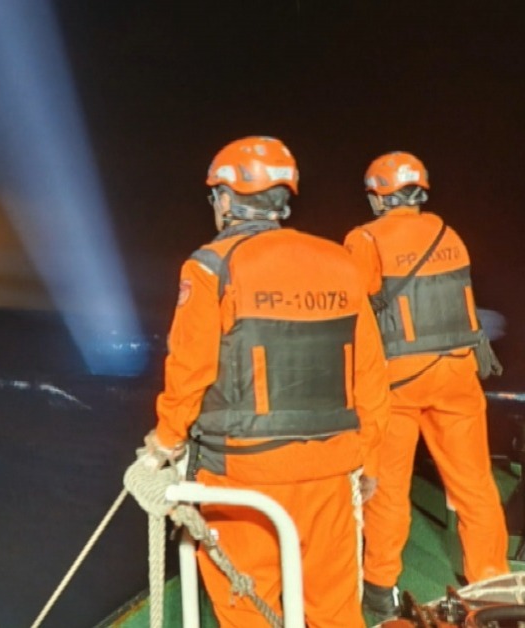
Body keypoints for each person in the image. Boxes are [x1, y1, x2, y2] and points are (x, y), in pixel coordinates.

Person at [144, 136, 390, 627]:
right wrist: (370, 461)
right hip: (331, 470)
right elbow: (370, 373)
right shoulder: (340, 263)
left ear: (227, 199)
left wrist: (164, 443)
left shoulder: (210, 266)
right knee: (335, 610)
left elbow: (190, 369)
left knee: (248, 607)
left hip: (243, 475)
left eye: (216, 195)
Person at [343, 151, 508, 619]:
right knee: (475, 485)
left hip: (397, 381)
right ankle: (492, 582)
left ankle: (380, 588)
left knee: (388, 488)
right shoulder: (449, 234)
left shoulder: (365, 239)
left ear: (379, 196)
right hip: (457, 374)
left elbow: (351, 310)